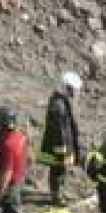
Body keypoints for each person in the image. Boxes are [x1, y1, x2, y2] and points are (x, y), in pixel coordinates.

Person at [40, 72, 82, 205]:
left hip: (62, 145)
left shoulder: (61, 101)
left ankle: (60, 192)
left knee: (61, 170)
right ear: (67, 87)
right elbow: (58, 132)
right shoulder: (58, 105)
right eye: (73, 89)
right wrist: (61, 151)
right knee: (57, 171)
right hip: (59, 146)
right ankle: (56, 197)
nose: (75, 92)